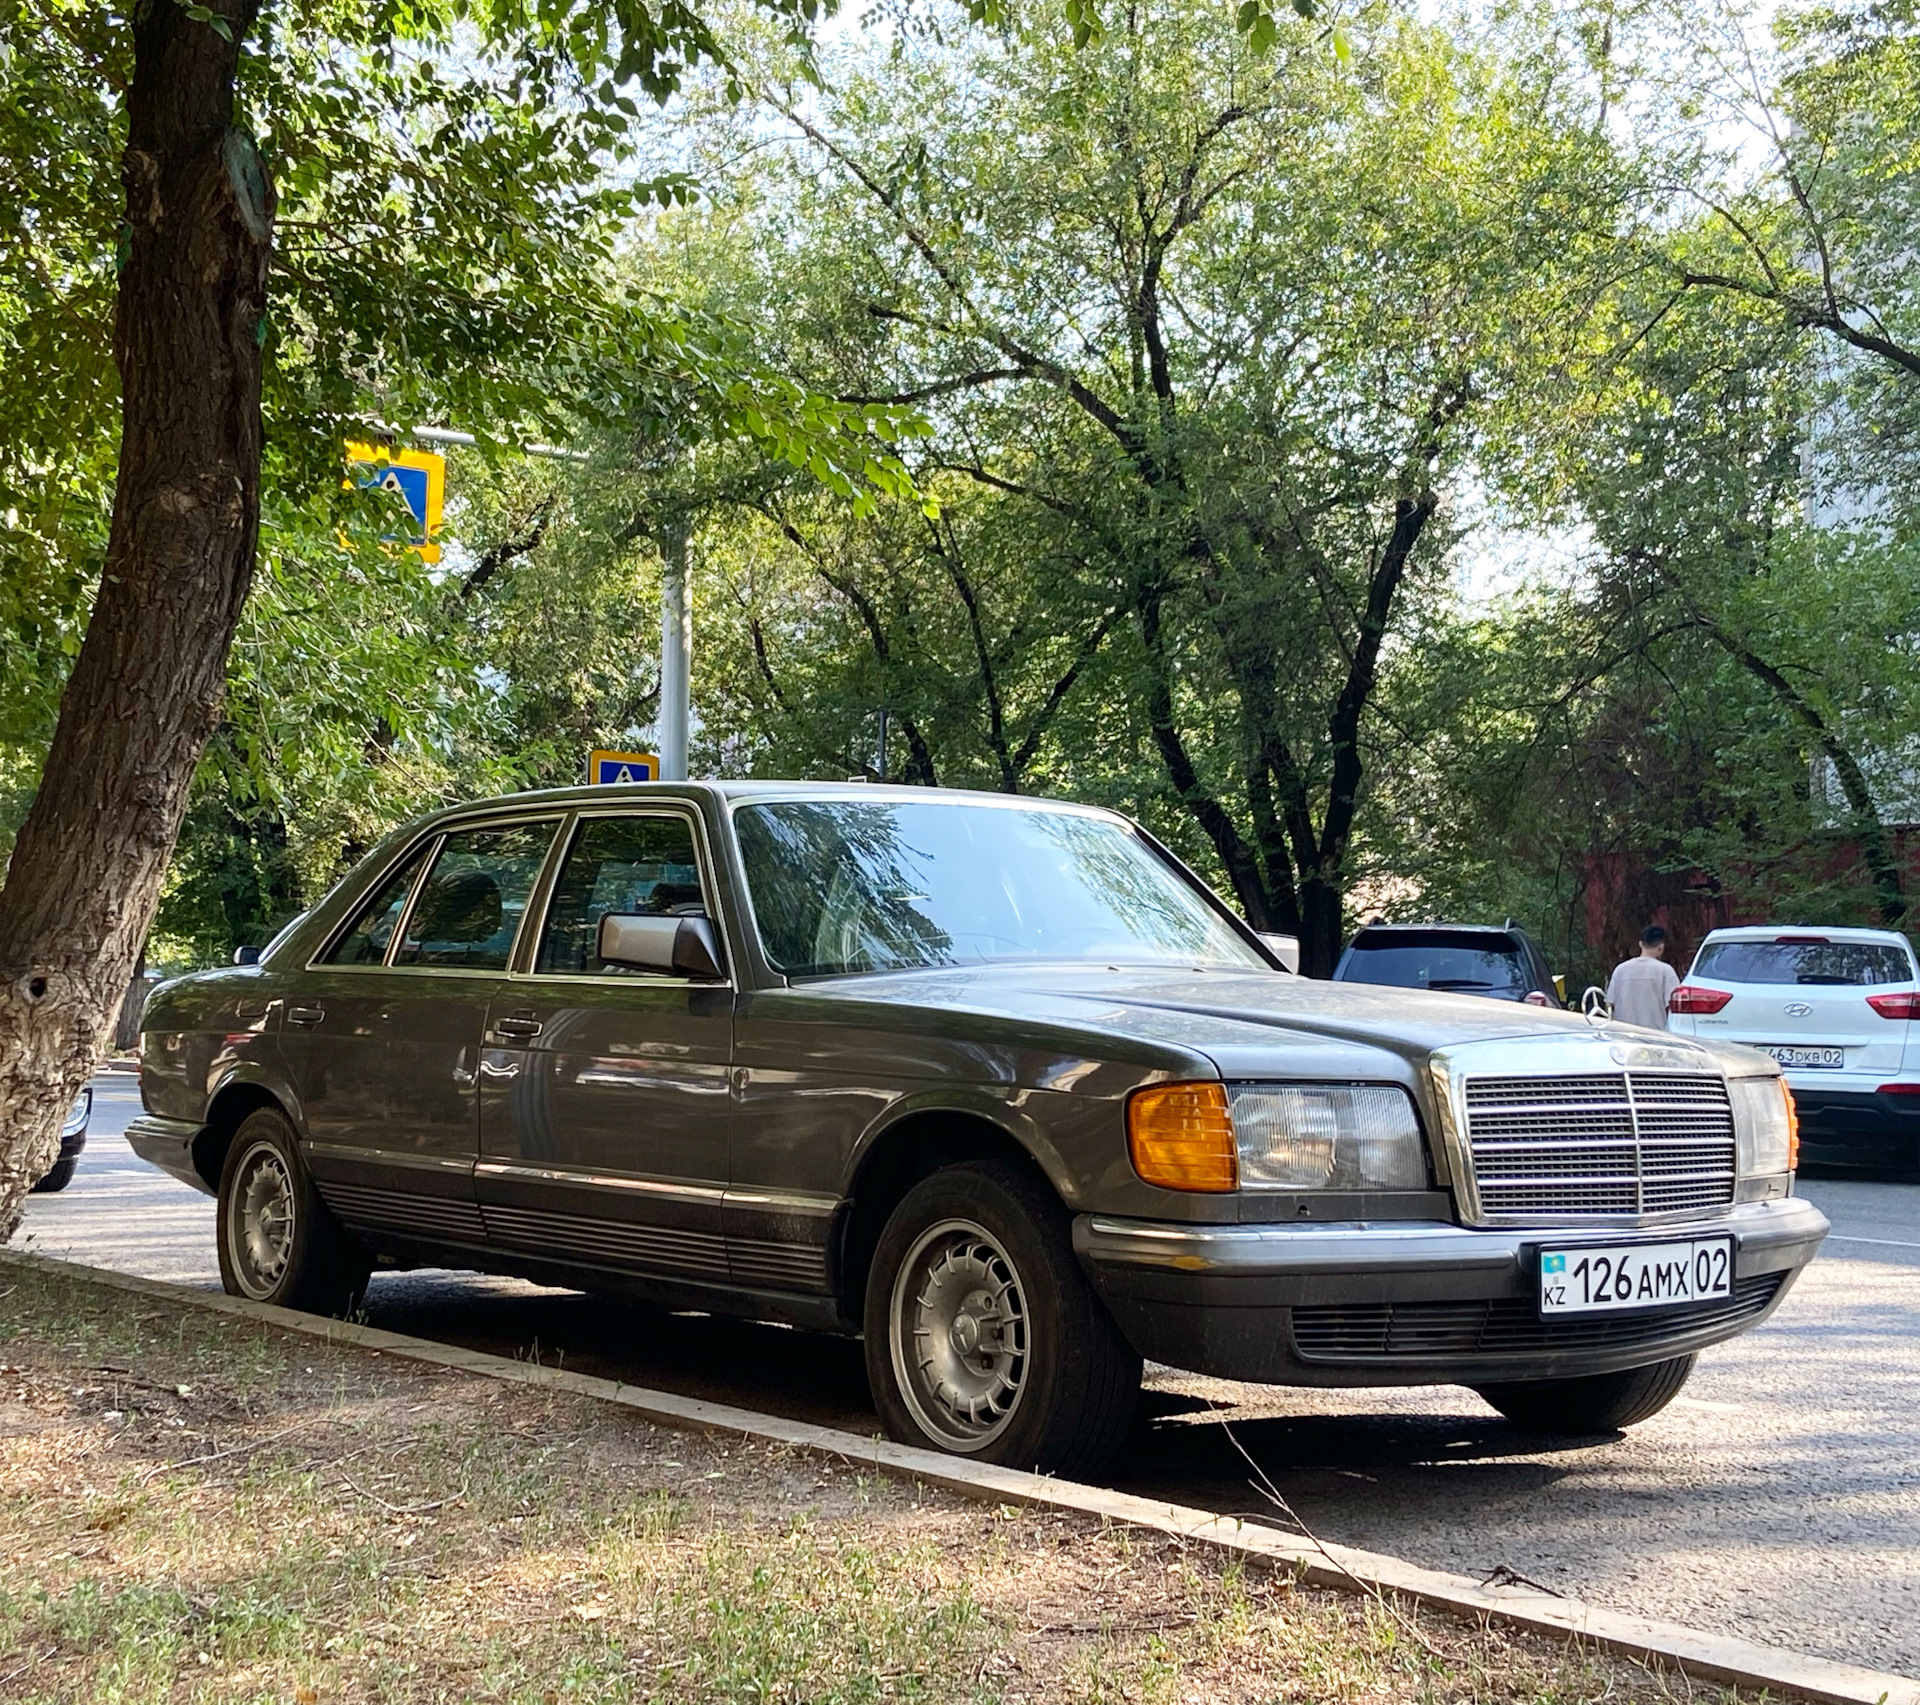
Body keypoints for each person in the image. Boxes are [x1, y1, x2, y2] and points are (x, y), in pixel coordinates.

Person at [1606, 925, 1680, 1029]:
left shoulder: (1621, 970)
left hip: (1623, 1035)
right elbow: (1675, 1006)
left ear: (1640, 944)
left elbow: (1610, 1004)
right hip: (1655, 1036)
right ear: (1661, 947)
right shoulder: (1666, 971)